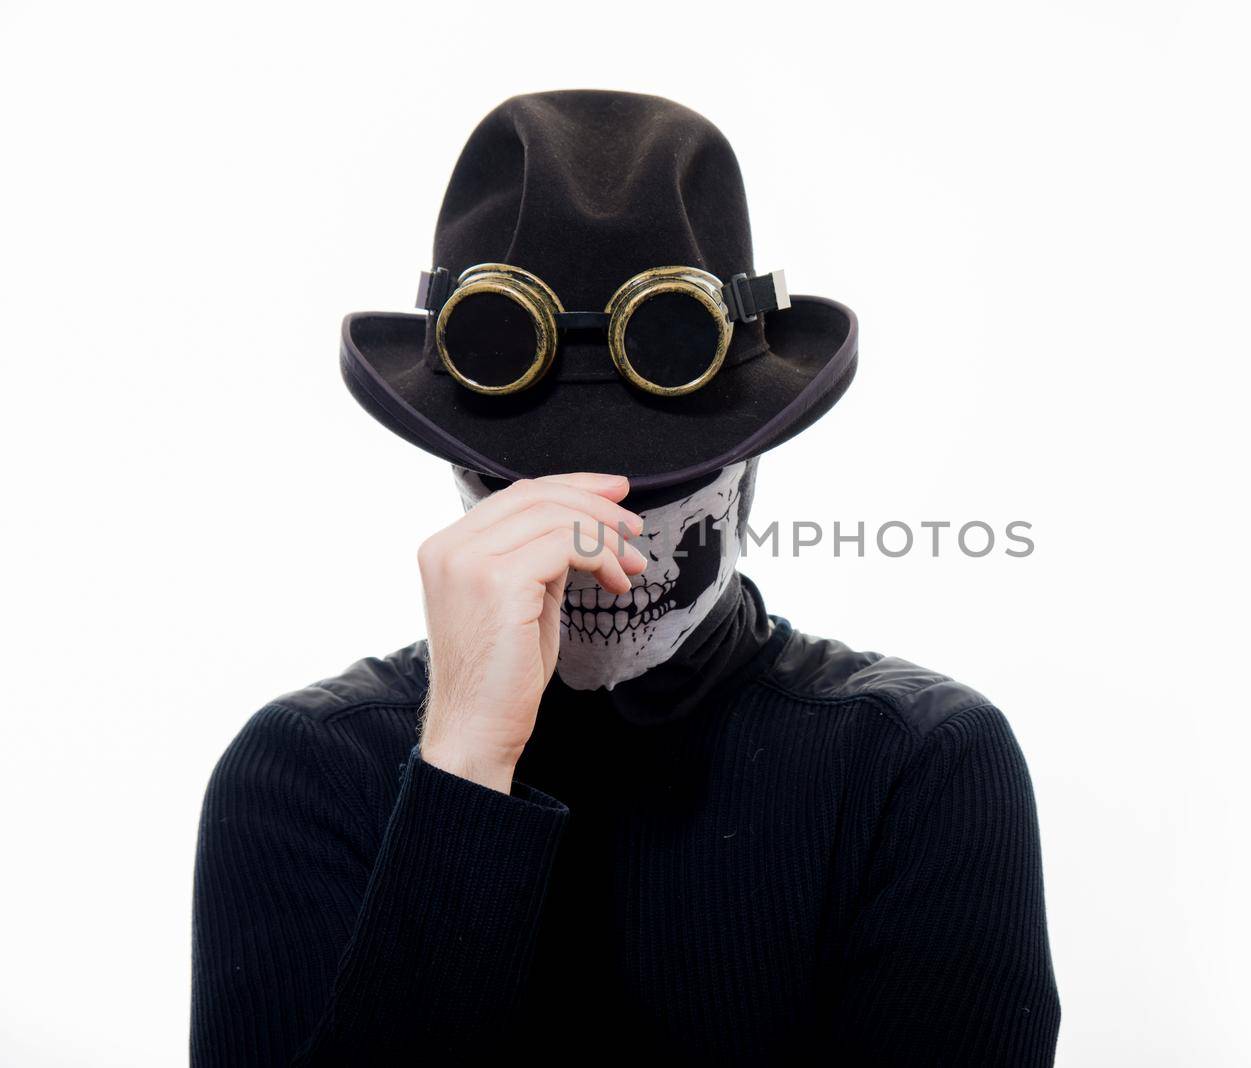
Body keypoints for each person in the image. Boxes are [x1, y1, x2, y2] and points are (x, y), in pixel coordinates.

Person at [190, 90, 1060, 1065]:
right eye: (534, 487)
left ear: (753, 457)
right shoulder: (308, 771)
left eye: (666, 481)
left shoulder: (910, 767)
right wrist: (465, 765)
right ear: (457, 467)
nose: (608, 538)